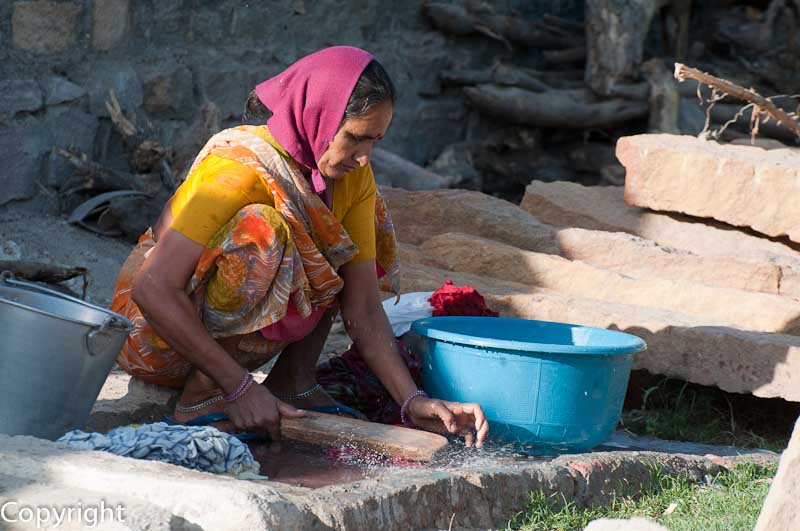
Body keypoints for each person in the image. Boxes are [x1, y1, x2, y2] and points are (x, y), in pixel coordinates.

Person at [110, 46, 489, 447]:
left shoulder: (351, 179)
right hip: (156, 337)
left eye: (375, 141)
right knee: (263, 230)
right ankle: (201, 396)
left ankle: (294, 379)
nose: (364, 158)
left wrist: (412, 400)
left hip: (226, 345)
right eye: (356, 138)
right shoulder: (236, 170)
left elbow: (360, 304)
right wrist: (238, 386)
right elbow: (152, 288)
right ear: (318, 118)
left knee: (329, 230)